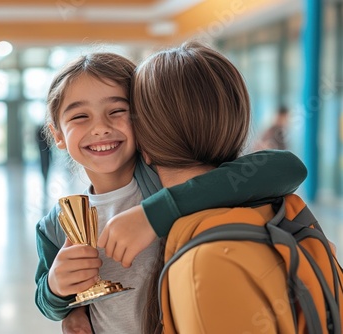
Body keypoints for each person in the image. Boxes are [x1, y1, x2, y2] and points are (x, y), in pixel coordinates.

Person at [35, 53, 307, 334]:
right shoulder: (56, 225)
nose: (100, 127)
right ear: (57, 135)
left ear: (144, 119)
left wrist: (155, 214)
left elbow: (286, 168)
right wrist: (57, 289)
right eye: (80, 116)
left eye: (117, 111)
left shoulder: (170, 178)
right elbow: (47, 300)